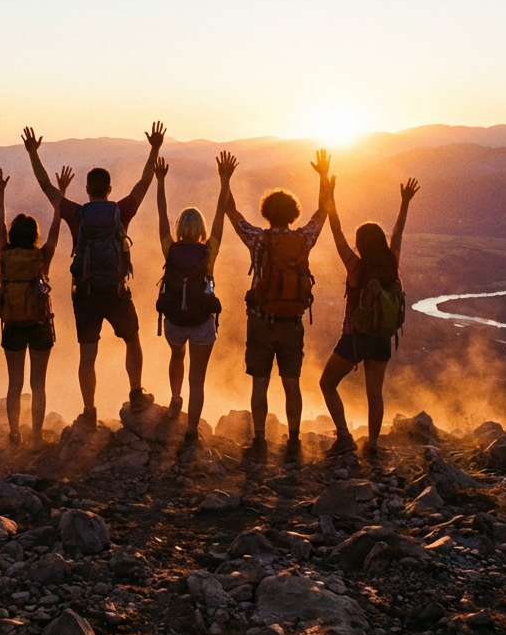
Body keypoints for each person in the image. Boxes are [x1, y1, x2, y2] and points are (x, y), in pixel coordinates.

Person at [23, 122, 165, 427]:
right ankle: (136, 393)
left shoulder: (77, 214)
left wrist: (33, 153)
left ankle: (89, 411)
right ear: (109, 189)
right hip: (116, 291)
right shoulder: (121, 211)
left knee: (87, 354)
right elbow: (143, 182)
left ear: (87, 190)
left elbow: (47, 186)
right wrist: (155, 148)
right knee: (132, 340)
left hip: (86, 294)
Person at [224, 150, 332, 460]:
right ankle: (294, 442)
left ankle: (259, 442)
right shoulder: (303, 239)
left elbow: (231, 211)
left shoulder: (258, 239)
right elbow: (322, 212)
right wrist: (323, 177)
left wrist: (225, 179)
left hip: (261, 320)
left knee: (260, 384)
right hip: (292, 323)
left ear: (266, 213)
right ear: (293, 213)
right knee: (291, 384)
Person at [318, 175, 420, 460]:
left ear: (360, 244)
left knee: (327, 384)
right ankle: (372, 444)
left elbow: (336, 231)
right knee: (374, 392)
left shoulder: (355, 267)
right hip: (382, 337)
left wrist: (329, 197)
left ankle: (344, 437)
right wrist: (404, 202)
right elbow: (398, 232)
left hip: (356, 337)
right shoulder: (391, 263)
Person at [152, 151, 236, 443]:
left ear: (179, 228)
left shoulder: (170, 249)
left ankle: (175, 400)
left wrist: (160, 181)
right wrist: (224, 181)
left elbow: (162, 215)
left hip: (174, 321)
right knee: (197, 380)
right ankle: (190, 432)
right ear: (200, 229)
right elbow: (219, 216)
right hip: (202, 322)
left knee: (177, 356)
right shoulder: (209, 252)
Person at [0, 164, 73, 447]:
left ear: (13, 235)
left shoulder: (5, 255)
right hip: (39, 325)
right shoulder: (41, 257)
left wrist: (0, 193)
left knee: (15, 384)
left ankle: (14, 434)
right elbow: (55, 230)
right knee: (38, 385)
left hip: (12, 325)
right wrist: (61, 193)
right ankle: (36, 436)